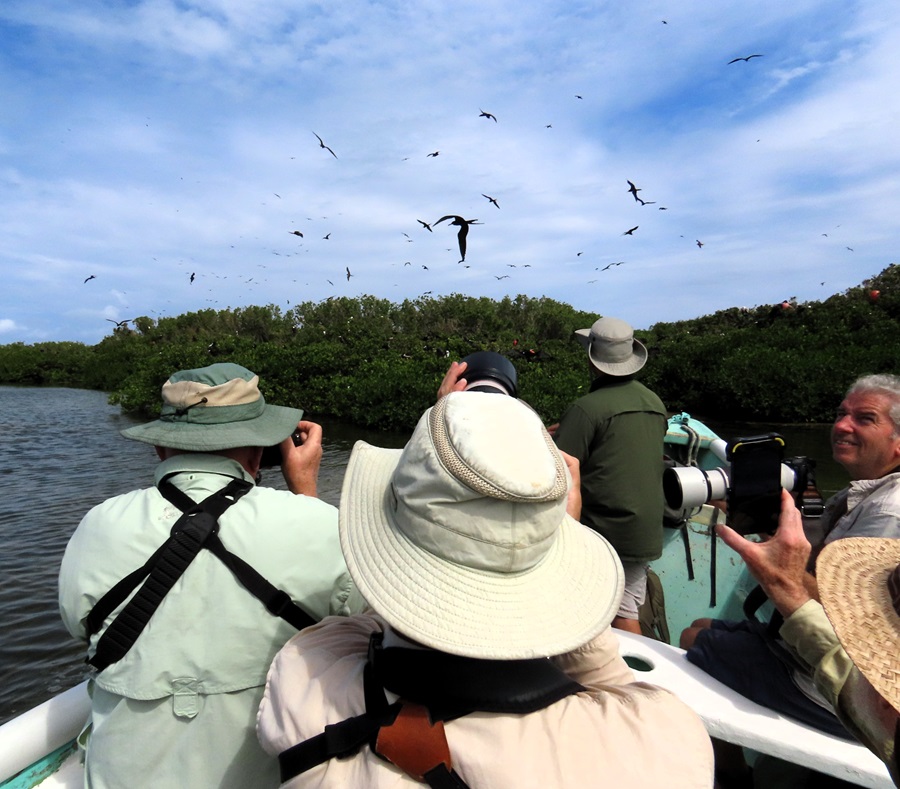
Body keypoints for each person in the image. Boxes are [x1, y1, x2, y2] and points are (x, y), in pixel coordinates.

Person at [257, 392, 714, 787]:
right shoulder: (664, 739)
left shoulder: (305, 680)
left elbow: (373, 615)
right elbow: (613, 685)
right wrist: (554, 541)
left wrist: (310, 490)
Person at [59, 362, 364, 789]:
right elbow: (352, 629)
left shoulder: (97, 523)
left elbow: (79, 627)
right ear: (259, 452)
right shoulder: (316, 523)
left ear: (162, 448)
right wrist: (306, 492)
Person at [681, 373, 900, 738]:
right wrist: (759, 518)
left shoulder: (890, 511)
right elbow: (825, 571)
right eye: (842, 413)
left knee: (693, 641)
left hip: (841, 685)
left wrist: (780, 571)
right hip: (802, 647)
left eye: (865, 418)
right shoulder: (864, 490)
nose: (842, 425)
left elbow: (851, 624)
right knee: (701, 626)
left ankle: (731, 771)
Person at [716, 490, 900, 786]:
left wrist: (788, 579)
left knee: (703, 645)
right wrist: (784, 585)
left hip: (807, 685)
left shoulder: (890, 509)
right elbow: (842, 669)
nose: (880, 696)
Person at [552, 316, 667, 634]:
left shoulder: (586, 408)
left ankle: (629, 681)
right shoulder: (654, 403)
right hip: (645, 530)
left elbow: (559, 471)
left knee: (619, 615)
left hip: (605, 532)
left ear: (592, 360)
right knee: (627, 607)